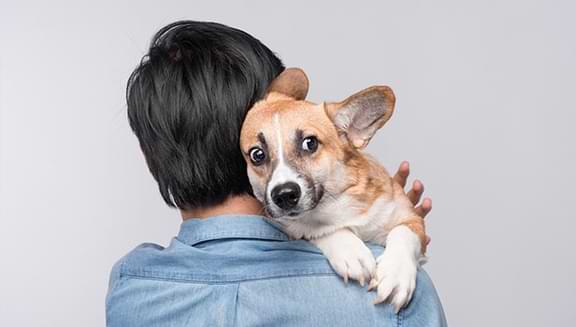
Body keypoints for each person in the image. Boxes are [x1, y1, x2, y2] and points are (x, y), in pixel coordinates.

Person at [106, 20, 447, 327]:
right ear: (243, 142)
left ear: (150, 156)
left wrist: (375, 222)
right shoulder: (396, 291)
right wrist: (396, 248)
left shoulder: (130, 286)